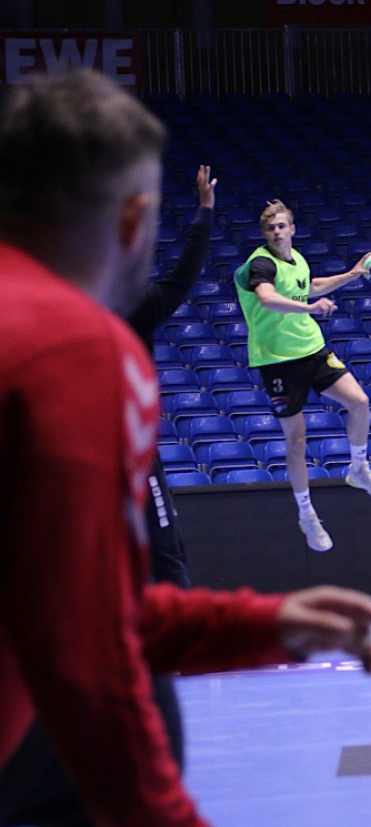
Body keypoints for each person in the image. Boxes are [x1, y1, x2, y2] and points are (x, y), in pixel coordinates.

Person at [0, 69, 371, 827]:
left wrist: (259, 621)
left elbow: (61, 600)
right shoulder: (83, 350)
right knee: (129, 726)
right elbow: (86, 648)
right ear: (135, 219)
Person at [234, 199, 371, 554]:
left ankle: (359, 469)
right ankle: (307, 514)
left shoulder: (298, 260)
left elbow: (312, 285)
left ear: (292, 229)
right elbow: (267, 298)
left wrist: (352, 275)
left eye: (282, 226)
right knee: (297, 441)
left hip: (312, 350)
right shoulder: (260, 263)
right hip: (277, 361)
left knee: (360, 402)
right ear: (265, 234)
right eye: (271, 228)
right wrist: (309, 308)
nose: (277, 232)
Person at [130, 164, 218, 587]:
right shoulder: (136, 303)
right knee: (166, 554)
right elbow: (184, 274)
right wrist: (204, 210)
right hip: (128, 452)